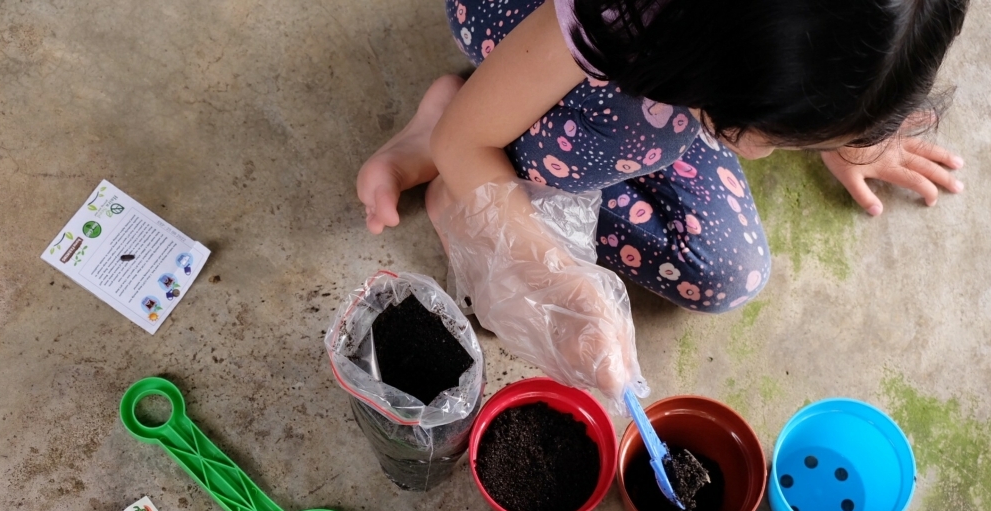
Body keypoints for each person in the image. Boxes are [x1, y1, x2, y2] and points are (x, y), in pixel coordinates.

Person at [356, 0, 969, 397]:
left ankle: (480, 123)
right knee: (586, 141)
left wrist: (853, 121)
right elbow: (471, 141)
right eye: (759, 134)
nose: (755, 155)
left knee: (729, 273)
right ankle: (448, 124)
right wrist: (554, 277)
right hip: (526, 23)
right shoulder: (619, 16)